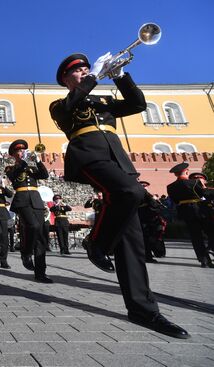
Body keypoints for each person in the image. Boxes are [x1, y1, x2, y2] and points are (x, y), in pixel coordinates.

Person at [49, 53, 189, 338]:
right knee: (130, 192)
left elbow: (138, 104)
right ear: (66, 79)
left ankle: (144, 310)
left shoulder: (103, 102)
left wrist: (120, 76)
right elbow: (70, 107)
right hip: (89, 157)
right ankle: (97, 242)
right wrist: (91, 79)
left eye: (86, 69)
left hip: (119, 162)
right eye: (77, 71)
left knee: (131, 239)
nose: (84, 72)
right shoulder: (61, 105)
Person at [5, 140, 51, 282]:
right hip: (22, 200)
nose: (22, 152)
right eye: (19, 151)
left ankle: (40, 273)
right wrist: (24, 160)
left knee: (41, 237)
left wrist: (37, 161)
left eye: (23, 150)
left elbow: (44, 175)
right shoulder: (11, 168)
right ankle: (25, 252)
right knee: (33, 226)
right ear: (14, 154)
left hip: (36, 200)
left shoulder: (32, 169)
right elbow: (15, 175)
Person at [167, 163, 213, 268]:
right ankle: (210, 248)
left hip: (186, 212)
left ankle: (204, 260)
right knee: (210, 231)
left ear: (175, 174)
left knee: (196, 237)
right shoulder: (195, 182)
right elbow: (205, 195)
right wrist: (204, 187)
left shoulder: (170, 187)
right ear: (187, 171)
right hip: (200, 210)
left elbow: (175, 201)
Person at [189, 172, 214, 255]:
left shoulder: (211, 190)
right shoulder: (189, 192)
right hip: (194, 215)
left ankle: (211, 248)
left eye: (200, 177)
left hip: (209, 215)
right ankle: (204, 259)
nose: (198, 179)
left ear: (205, 181)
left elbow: (206, 198)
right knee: (197, 238)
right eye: (194, 178)